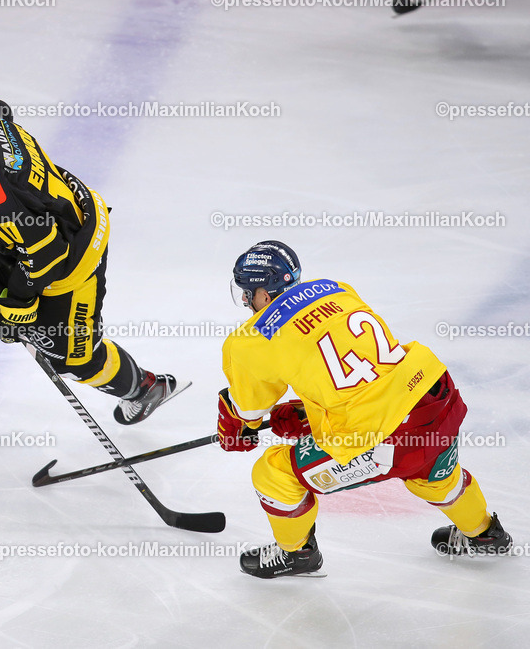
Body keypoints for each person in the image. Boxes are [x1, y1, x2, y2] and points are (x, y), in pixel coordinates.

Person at [0, 86, 178, 466]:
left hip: (71, 255)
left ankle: (143, 388)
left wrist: (18, 306)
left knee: (72, 357)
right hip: (23, 233)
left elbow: (47, 256)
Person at [217, 240, 511, 578]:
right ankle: (485, 533)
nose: (245, 300)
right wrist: (315, 412)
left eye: (247, 292)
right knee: (432, 474)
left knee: (273, 474)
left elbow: (249, 413)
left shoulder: (251, 339)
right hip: (434, 398)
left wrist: (237, 429)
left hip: (386, 436)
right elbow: (357, 366)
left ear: (264, 295)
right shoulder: (336, 290)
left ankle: (296, 554)